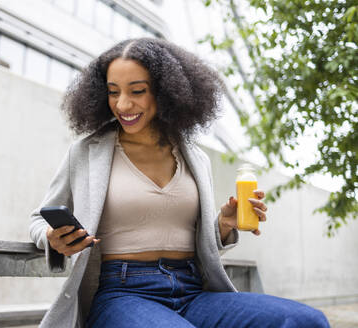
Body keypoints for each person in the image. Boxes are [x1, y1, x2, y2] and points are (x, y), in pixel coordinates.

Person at [29, 38, 330, 328]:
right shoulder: (86, 152)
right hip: (121, 293)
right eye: (113, 92)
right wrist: (52, 238)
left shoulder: (195, 157)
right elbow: (38, 221)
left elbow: (193, 241)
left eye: (137, 91)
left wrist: (223, 225)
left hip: (192, 290)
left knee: (307, 321)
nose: (122, 104)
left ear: (165, 91)